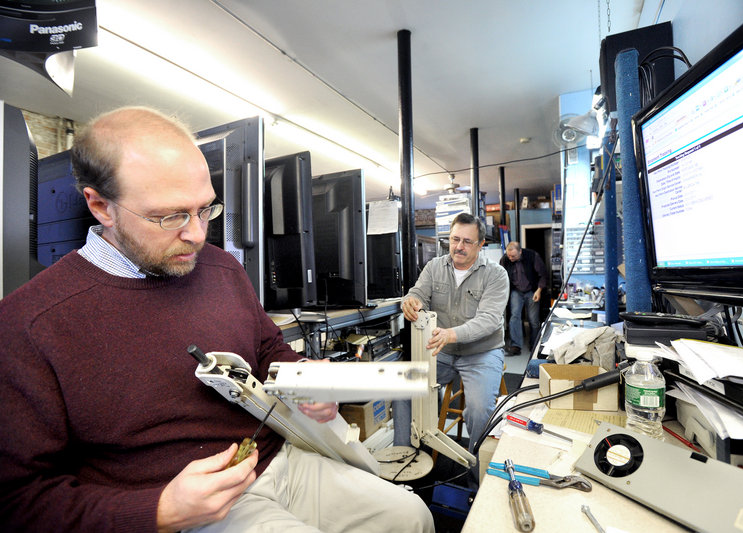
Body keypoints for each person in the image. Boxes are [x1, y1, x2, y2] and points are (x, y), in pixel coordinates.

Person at [0, 106, 433, 533]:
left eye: (206, 209)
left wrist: (302, 377)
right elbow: (18, 499)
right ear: (100, 207)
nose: (197, 234)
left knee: (411, 517)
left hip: (276, 462)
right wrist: (156, 510)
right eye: (169, 216)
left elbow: (265, 348)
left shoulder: (222, 268)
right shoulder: (29, 324)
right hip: (179, 505)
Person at [401, 213, 509, 455]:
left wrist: (450, 334)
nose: (459, 247)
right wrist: (410, 301)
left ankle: (476, 473)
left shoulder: (496, 275)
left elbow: (489, 320)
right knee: (404, 390)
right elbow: (418, 292)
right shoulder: (434, 267)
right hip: (442, 351)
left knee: (480, 411)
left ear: (481, 244)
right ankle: (409, 456)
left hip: (481, 353)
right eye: (454, 239)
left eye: (467, 242)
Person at [499, 241, 548, 355]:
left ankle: (534, 344)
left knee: (533, 320)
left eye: (513, 256)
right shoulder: (505, 260)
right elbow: (500, 277)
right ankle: (516, 346)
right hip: (516, 291)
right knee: (514, 317)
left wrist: (539, 290)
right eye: (509, 255)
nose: (511, 258)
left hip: (532, 290)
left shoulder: (532, 256)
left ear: (520, 251)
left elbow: (543, 274)